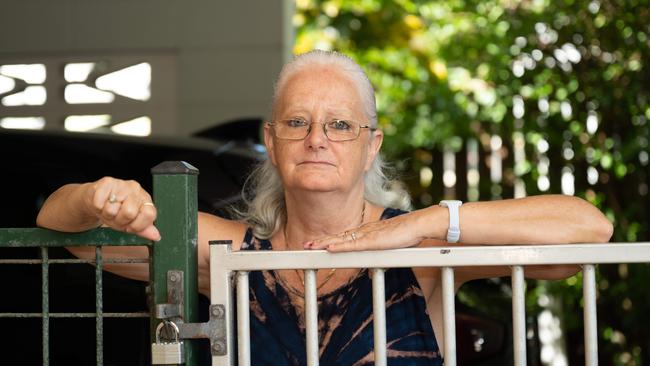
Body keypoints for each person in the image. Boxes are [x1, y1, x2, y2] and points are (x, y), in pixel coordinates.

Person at [37, 50, 613, 365]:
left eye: (340, 125)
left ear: (371, 146)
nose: (318, 138)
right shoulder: (232, 253)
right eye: (297, 122)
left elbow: (588, 230)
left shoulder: (424, 252)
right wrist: (94, 197)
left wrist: (428, 222)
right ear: (272, 138)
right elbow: (67, 231)